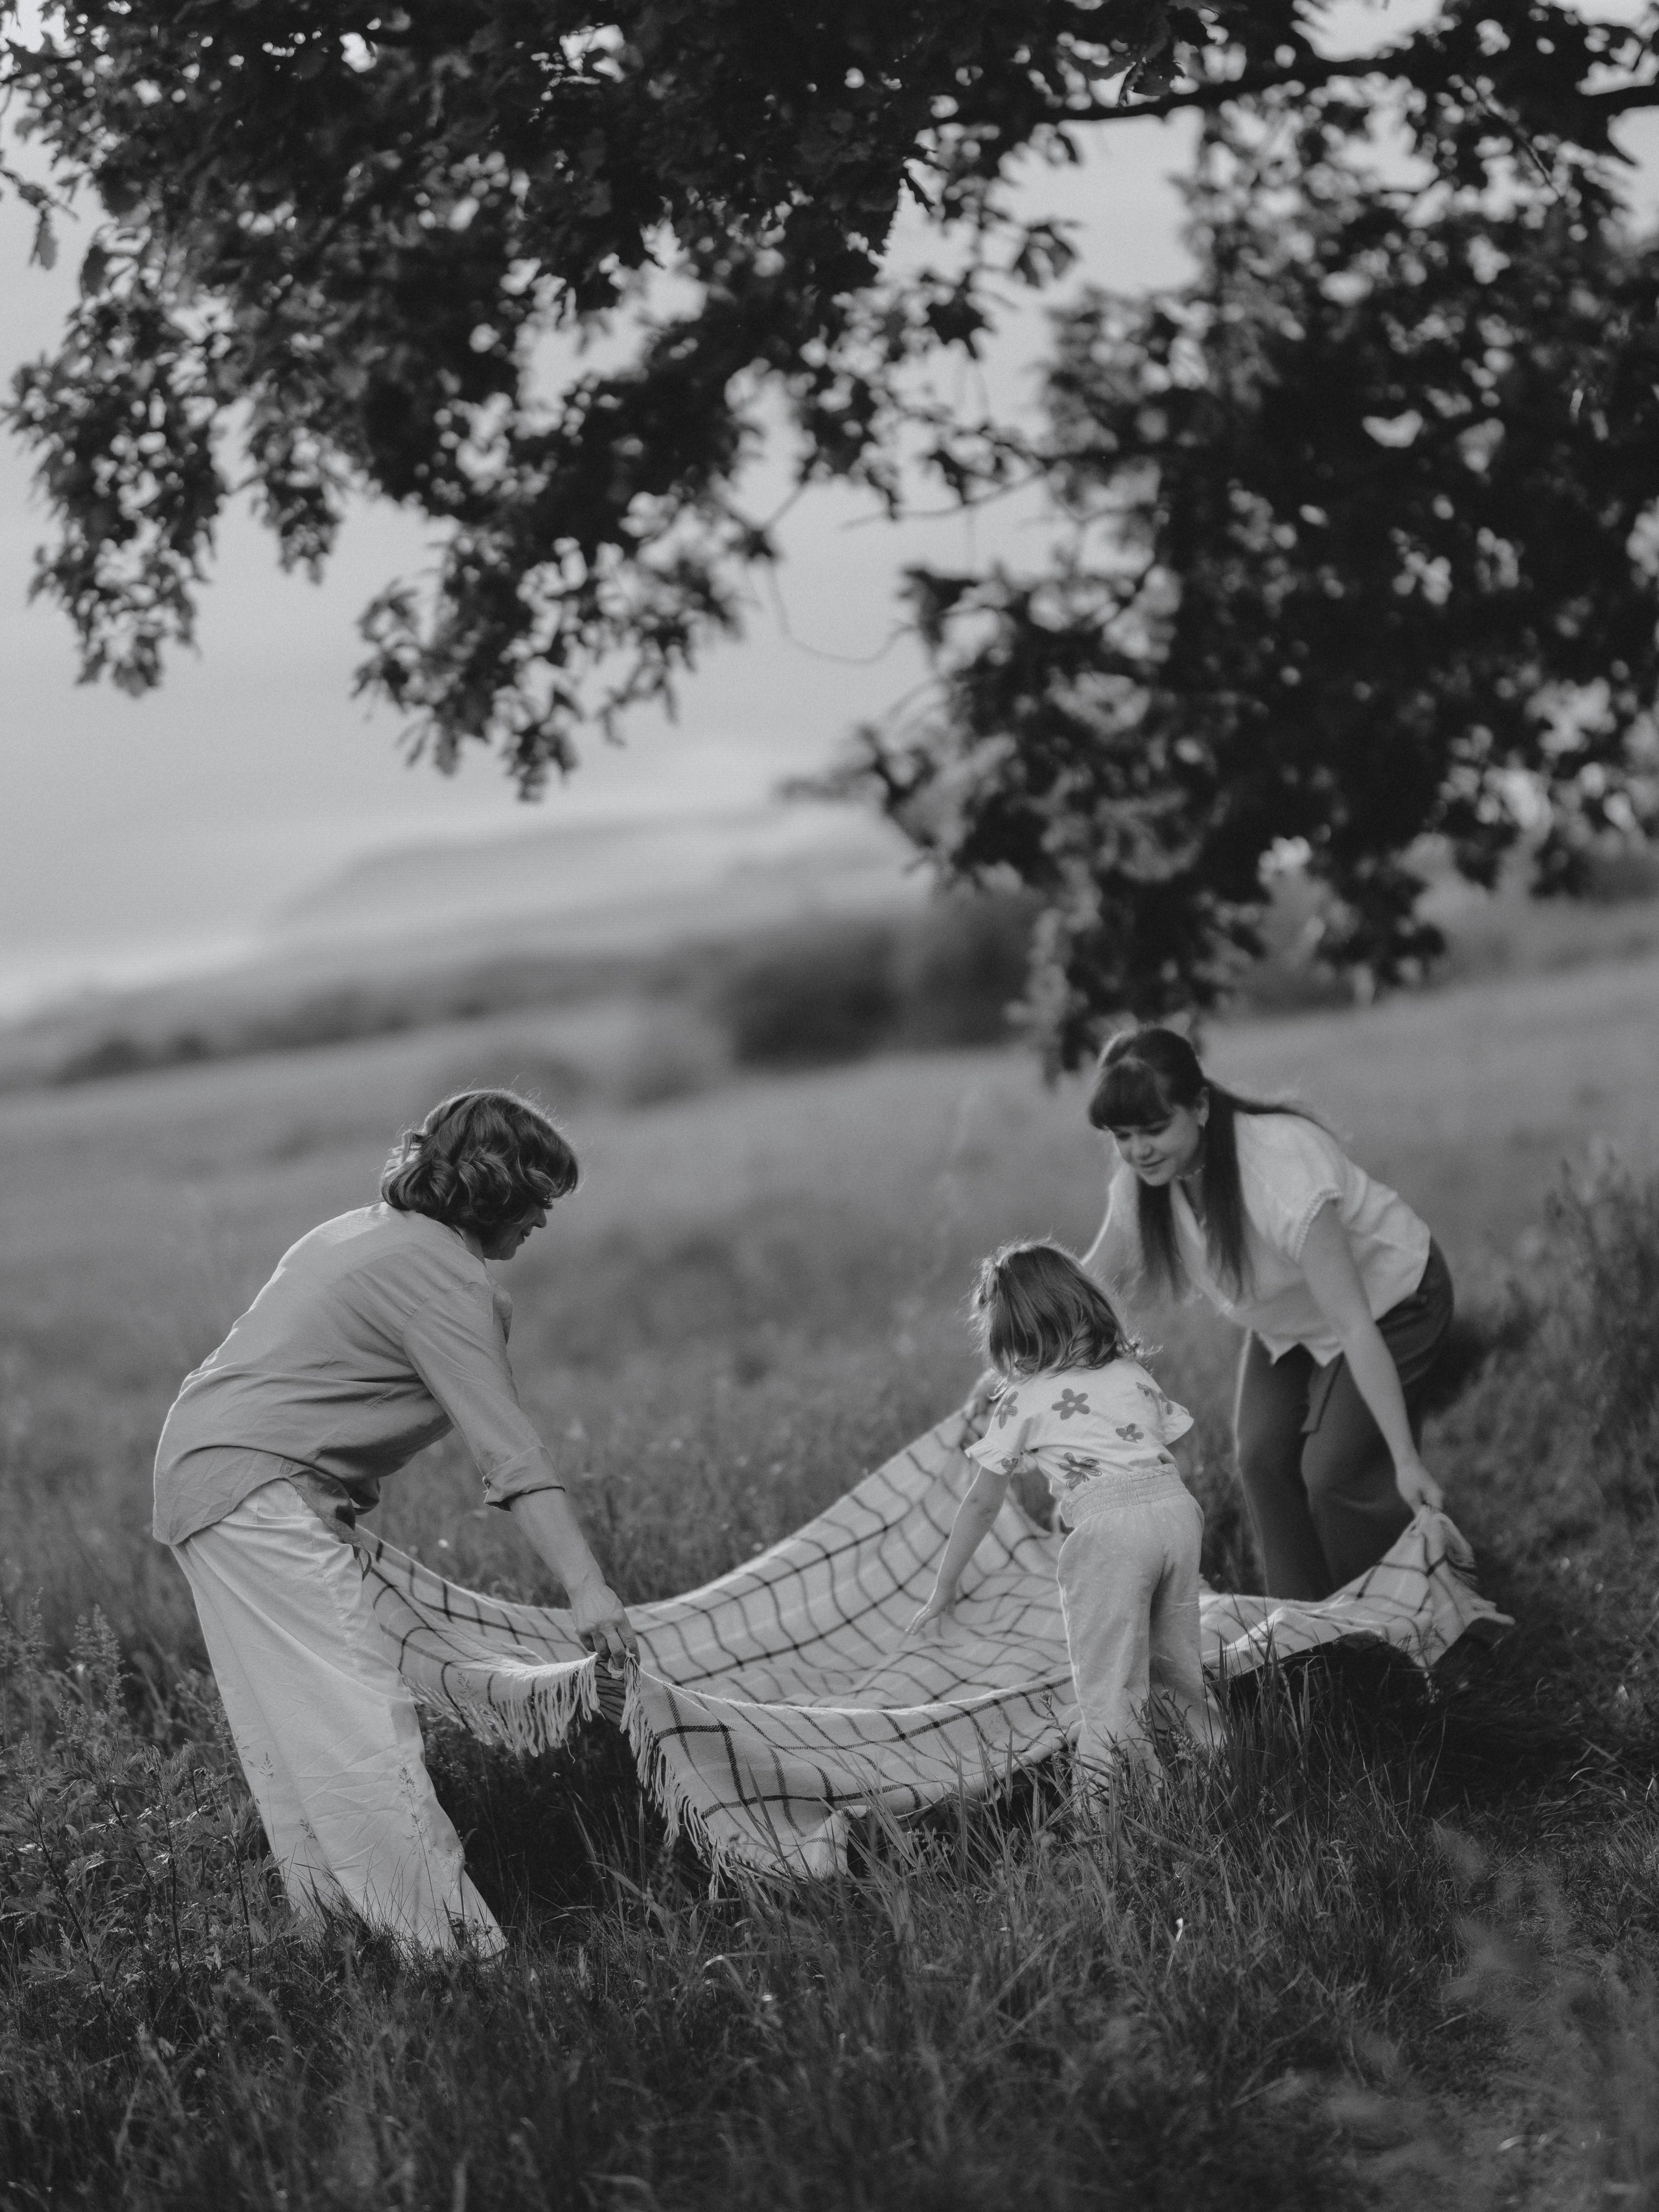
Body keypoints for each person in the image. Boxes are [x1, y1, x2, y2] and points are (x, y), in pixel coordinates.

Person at [153, 1089, 637, 1956]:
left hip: (206, 1479)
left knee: (292, 1727)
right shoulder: (445, 1281)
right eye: (538, 1200)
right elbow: (512, 1454)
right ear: (496, 1192)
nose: (543, 1223)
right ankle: (451, 1954)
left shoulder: (363, 1232)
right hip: (257, 1492)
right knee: (359, 1725)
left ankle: (344, 1938)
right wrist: (587, 1586)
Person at [1082, 1026, 1453, 1603]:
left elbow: (1355, 1323)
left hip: (1392, 1303)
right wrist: (1017, 1367)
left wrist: (1405, 1460)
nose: (1139, 1151)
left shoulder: (1281, 1170)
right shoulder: (1143, 1181)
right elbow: (1089, 1282)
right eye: (1123, 1136)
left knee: (1334, 1472)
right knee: (1260, 1457)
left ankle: (1397, 1617)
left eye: (1155, 1129)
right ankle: (1308, 1626)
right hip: (1290, 1323)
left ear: (1200, 1107)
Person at [909, 1241, 1220, 1788]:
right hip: (1176, 1513)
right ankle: (1223, 1765)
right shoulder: (1129, 1371)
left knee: (1108, 1689)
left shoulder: (1023, 1397)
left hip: (1110, 1534)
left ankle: (1109, 1818)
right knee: (1176, 1670)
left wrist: (945, 1585)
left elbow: (983, 1502)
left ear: (1012, 1335)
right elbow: (1162, 1450)